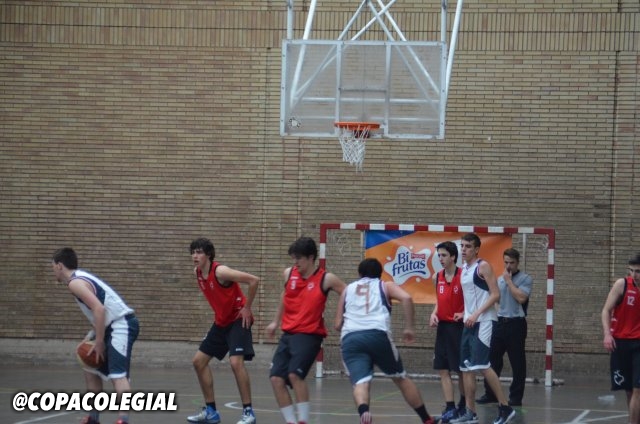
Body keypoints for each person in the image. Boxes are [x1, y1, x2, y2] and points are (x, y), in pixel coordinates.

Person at [335, 258, 436, 424]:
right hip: (377, 335)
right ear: (380, 274)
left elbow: (338, 324)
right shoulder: (385, 285)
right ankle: (426, 419)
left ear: (359, 274)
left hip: (351, 338)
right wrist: (409, 327)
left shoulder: (348, 289)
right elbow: (406, 298)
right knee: (400, 378)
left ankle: (364, 412)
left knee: (360, 382)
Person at [51, 247, 140, 424]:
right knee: (90, 367)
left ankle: (123, 420)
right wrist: (91, 336)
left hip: (121, 324)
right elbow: (98, 312)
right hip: (110, 325)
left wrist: (99, 342)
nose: (52, 270)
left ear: (59, 265)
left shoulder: (75, 283)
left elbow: (99, 309)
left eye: (52, 266)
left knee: (118, 374)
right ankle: (93, 417)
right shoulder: (79, 278)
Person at [265, 236, 346, 424]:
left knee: (294, 374)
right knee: (276, 379)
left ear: (311, 258)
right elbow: (285, 296)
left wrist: (339, 317)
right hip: (288, 333)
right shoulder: (289, 274)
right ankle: (291, 421)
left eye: (299, 258)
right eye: (293, 258)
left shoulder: (326, 278)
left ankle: (303, 420)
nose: (295, 262)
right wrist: (275, 321)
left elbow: (347, 292)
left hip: (310, 335)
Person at [186, 238, 260, 424]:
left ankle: (248, 412)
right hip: (221, 323)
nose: (195, 256)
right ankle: (211, 412)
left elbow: (253, 280)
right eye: (193, 252)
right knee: (198, 362)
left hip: (238, 319)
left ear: (208, 254)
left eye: (199, 252)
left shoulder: (220, 271)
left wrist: (247, 308)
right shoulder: (197, 273)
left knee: (235, 362)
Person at [451, 233, 515, 424]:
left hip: (484, 321)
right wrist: (465, 313)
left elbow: (495, 295)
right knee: (466, 368)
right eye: (462, 246)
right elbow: (472, 296)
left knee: (482, 366)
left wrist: (476, 314)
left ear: (477, 249)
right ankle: (470, 412)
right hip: (469, 322)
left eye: (468, 246)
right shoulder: (464, 269)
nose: (464, 249)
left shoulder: (483, 266)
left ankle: (505, 407)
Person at [477, 248, 533, 407]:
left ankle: (516, 397)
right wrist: (497, 313)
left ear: (517, 262)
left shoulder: (525, 279)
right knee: (492, 360)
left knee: (517, 362)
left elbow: (521, 298)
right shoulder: (499, 279)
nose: (508, 266)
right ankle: (491, 393)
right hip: (500, 323)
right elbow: (495, 298)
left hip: (516, 324)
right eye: (506, 262)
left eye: (512, 263)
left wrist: (509, 281)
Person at [429, 241, 466, 423]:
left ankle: (464, 405)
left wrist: (466, 313)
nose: (441, 259)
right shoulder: (437, 277)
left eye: (444, 255)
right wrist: (434, 313)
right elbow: (439, 300)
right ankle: (450, 407)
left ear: (453, 256)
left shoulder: (464, 276)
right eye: (439, 256)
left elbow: (474, 300)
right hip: (443, 328)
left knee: (460, 370)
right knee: (442, 369)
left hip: (459, 328)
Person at [601, 253, 640, 424]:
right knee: (629, 390)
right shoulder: (621, 285)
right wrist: (607, 334)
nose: (634, 275)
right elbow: (605, 310)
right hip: (621, 343)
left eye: (638, 271)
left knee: (638, 389)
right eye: (631, 270)